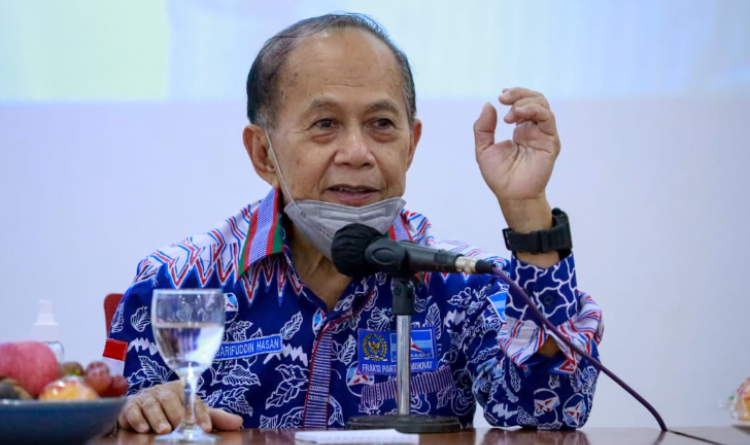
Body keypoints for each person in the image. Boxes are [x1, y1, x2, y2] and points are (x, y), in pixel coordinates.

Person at [104, 13, 603, 433]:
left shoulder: (461, 284)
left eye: (381, 124)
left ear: (411, 144)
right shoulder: (179, 282)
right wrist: (137, 412)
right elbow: (114, 417)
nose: (358, 153)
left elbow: (552, 412)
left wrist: (527, 208)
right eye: (325, 124)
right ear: (263, 153)